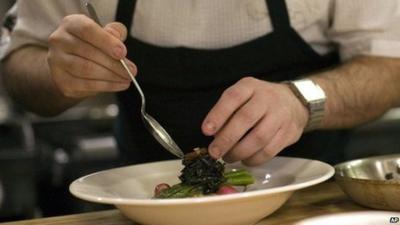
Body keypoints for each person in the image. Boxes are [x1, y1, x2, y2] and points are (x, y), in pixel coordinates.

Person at [1, 0, 400, 166]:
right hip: (139, 206)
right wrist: (58, 74)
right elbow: (19, 65)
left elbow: (390, 65)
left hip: (308, 205)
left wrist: (303, 99)